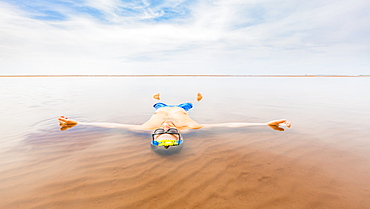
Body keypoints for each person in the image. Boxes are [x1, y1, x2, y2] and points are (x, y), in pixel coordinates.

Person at [58, 93, 291, 149]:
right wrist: (264, 124)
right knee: (187, 104)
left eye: (163, 132)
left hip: (161, 108)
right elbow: (229, 125)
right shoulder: (190, 127)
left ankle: (156, 99)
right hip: (180, 109)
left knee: (157, 105)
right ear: (178, 136)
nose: (166, 127)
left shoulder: (145, 128)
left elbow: (112, 125)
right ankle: (193, 99)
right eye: (170, 132)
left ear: (155, 135)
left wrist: (78, 123)